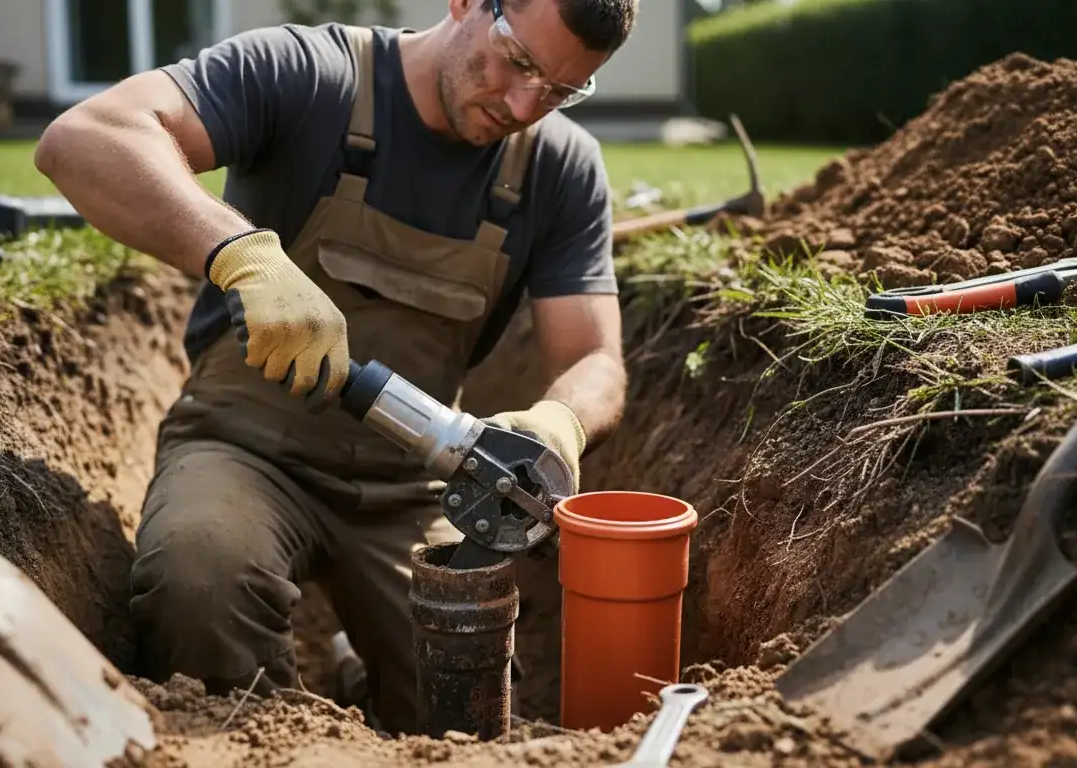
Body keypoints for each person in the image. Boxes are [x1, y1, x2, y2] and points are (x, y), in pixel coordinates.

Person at [34, 0, 635, 734]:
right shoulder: (308, 74)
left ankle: (357, 671)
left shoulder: (560, 167)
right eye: (519, 62)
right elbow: (86, 137)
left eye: (560, 91)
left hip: (413, 480)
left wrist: (561, 423)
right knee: (200, 581)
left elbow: (594, 357)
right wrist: (241, 254)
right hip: (244, 447)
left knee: (464, 689)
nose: (523, 106)